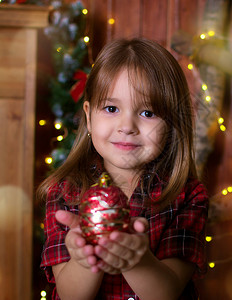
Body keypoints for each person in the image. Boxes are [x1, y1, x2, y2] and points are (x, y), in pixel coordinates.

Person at [39, 38, 209, 300]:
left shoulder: (187, 196)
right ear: (88, 115)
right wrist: (86, 259)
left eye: (148, 113)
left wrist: (136, 260)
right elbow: (70, 295)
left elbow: (168, 293)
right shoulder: (65, 193)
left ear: (172, 123)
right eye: (111, 108)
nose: (127, 125)